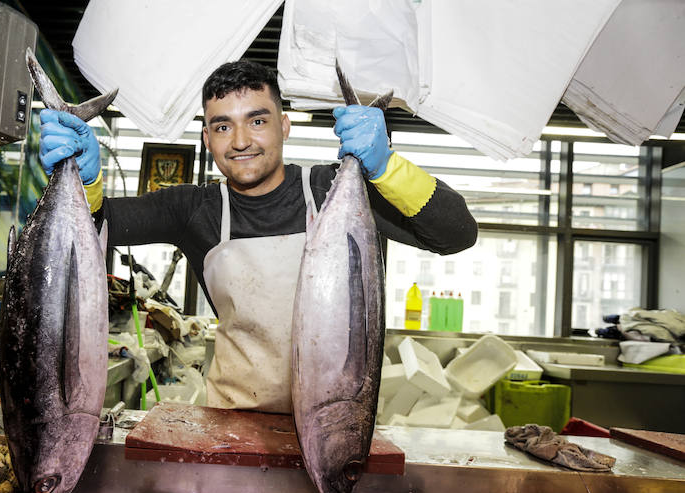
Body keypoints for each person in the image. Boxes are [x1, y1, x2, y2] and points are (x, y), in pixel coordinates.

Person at [38, 60, 477, 414]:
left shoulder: (334, 190)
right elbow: (95, 230)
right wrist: (86, 179)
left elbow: (455, 234)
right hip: (231, 422)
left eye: (258, 120)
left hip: (338, 421)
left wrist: (386, 167)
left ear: (284, 126)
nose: (241, 141)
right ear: (208, 138)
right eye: (223, 126)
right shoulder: (193, 209)